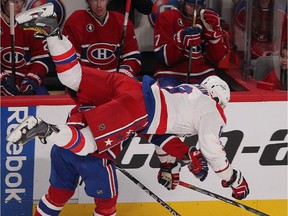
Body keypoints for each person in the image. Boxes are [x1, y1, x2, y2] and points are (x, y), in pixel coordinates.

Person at [9, 5, 249, 215]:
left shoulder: (187, 94)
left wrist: (171, 165)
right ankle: (46, 129)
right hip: (139, 107)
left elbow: (158, 134)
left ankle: (52, 31)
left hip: (130, 85)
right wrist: (233, 179)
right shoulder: (211, 107)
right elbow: (212, 149)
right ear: (220, 98)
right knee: (89, 144)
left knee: (73, 76)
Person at [153, 0, 230, 86]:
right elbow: (162, 58)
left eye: (197, 7)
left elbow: (217, 58)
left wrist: (215, 35)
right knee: (168, 94)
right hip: (170, 74)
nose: (193, 11)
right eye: (190, 5)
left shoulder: (207, 18)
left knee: (219, 92)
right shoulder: (167, 17)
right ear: (182, 2)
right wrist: (180, 40)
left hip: (203, 74)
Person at [62, 0, 141, 78]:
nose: (99, 5)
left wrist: (122, 75)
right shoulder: (76, 21)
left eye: (102, 0)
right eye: (94, 0)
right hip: (85, 81)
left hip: (114, 81)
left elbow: (133, 58)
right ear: (88, 1)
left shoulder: (121, 21)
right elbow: (70, 62)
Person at [0, 0, 53, 96]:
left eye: (21, 1)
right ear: (3, 2)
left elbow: (42, 59)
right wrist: (2, 79)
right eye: (15, 1)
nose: (19, 5)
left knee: (44, 98)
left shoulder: (32, 25)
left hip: (25, 80)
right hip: (2, 83)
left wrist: (31, 81)